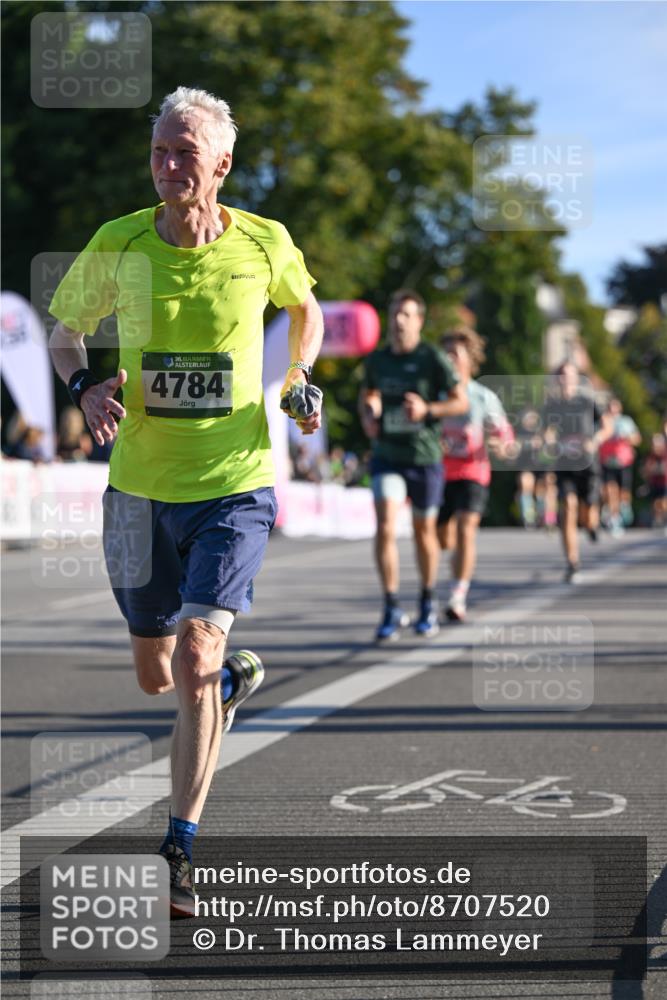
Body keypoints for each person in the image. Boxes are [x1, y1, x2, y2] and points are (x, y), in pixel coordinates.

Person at [47, 87, 324, 917]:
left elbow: (304, 310)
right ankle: (226, 686)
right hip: (136, 490)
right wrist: (85, 387)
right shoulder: (119, 240)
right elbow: (65, 331)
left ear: (222, 165)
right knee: (154, 674)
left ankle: (178, 849)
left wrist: (299, 374)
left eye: (186, 154)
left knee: (195, 659)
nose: (169, 166)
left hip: (234, 483)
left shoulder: (265, 242)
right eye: (160, 151)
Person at [359, 290, 467, 641]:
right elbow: (368, 394)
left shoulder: (431, 357)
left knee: (424, 531)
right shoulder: (377, 360)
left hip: (424, 456)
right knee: (386, 525)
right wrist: (369, 414)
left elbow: (459, 401)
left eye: (406, 314)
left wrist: (427, 410)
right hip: (388, 454)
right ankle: (391, 604)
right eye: (394, 313)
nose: (398, 320)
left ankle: (426, 599)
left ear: (419, 321)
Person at [437, 327, 514, 622]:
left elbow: (506, 438)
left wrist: (500, 445)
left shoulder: (483, 397)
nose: (449, 359)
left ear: (470, 359)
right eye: (445, 354)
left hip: (473, 472)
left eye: (455, 354)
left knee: (466, 529)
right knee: (443, 538)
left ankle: (458, 596)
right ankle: (455, 556)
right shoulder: (434, 394)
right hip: (440, 473)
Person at [544, 361, 611, 583]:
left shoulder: (586, 401)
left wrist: (595, 440)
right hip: (565, 464)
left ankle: (592, 524)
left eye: (569, 375)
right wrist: (549, 442)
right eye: (561, 375)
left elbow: (606, 426)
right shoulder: (552, 405)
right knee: (568, 508)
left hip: (588, 465)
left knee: (587, 515)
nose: (565, 379)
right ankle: (572, 563)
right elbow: (547, 431)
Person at [599, 397, 641, 535]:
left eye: (615, 407)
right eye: (610, 407)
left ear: (620, 408)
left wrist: (627, 437)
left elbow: (637, 439)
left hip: (623, 461)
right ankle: (615, 519)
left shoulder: (626, 422)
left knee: (623, 493)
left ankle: (624, 508)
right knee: (611, 490)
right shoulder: (603, 421)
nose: (612, 410)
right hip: (607, 461)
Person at [642, 432, 667, 530]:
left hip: (664, 482)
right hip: (654, 482)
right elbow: (646, 469)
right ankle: (657, 519)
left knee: (663, 502)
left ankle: (664, 518)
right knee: (655, 503)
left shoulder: (665, 455)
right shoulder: (651, 456)